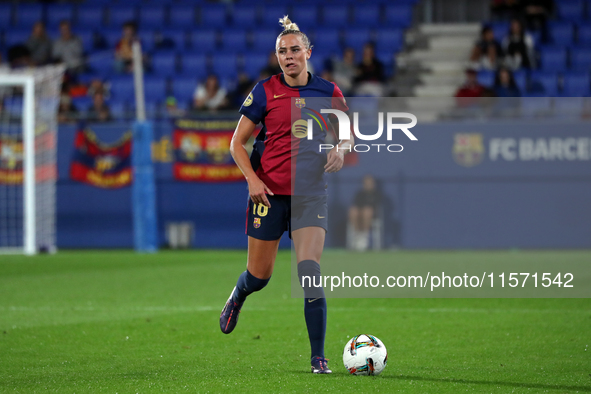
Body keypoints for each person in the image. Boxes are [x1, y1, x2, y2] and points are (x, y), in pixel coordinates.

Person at [219, 15, 351, 374]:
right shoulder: (264, 91)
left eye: (295, 50)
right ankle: (239, 293)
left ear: (308, 52)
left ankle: (318, 358)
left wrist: (341, 147)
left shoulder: (329, 92)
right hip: (269, 194)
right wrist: (251, 179)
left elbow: (347, 132)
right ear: (276, 56)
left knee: (309, 272)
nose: (289, 56)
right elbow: (236, 144)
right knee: (259, 276)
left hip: (309, 195)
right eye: (282, 51)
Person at [348, 175, 381, 251]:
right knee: (353, 211)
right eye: (366, 183)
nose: (368, 184)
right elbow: (357, 205)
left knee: (367, 211)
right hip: (359, 215)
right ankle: (357, 235)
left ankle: (364, 237)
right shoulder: (360, 194)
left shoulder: (377, 194)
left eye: (370, 183)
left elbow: (376, 206)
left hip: (372, 215)